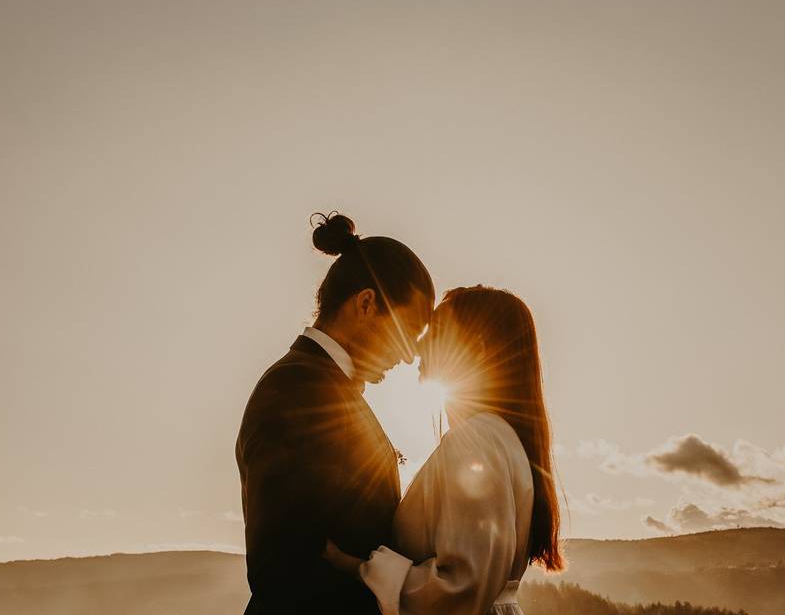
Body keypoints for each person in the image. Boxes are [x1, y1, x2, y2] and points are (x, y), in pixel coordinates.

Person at [235, 212, 434, 614]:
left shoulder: (319, 385)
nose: (410, 354)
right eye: (408, 331)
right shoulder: (297, 391)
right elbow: (283, 567)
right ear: (366, 304)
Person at [324, 286, 564, 614]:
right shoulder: (499, 438)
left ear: (475, 349)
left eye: (435, 332)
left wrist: (357, 566)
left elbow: (461, 589)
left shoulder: (476, 441)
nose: (418, 344)